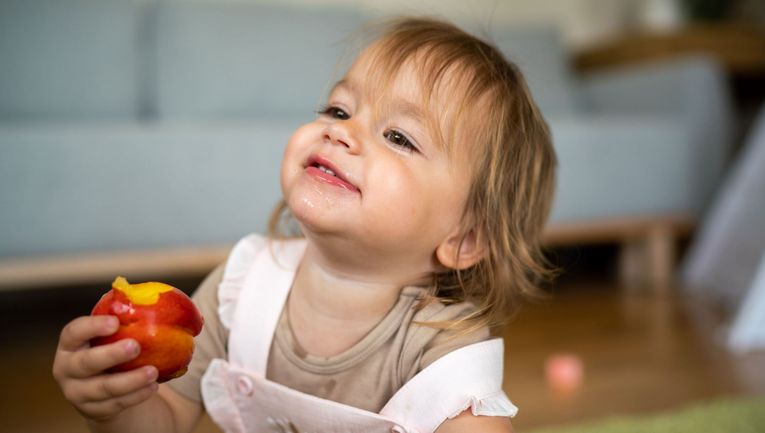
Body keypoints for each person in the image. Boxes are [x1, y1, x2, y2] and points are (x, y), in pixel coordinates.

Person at [52, 16, 556, 433]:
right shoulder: (245, 284)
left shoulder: (442, 347)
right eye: (339, 108)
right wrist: (120, 401)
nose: (341, 131)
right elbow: (166, 419)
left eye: (399, 137)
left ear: (464, 239)